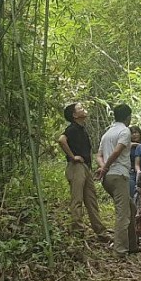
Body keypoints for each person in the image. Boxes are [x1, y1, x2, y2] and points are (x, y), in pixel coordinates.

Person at [57, 102, 109, 240]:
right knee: (77, 200)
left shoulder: (82, 129)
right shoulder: (72, 129)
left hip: (85, 167)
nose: (84, 109)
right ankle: (77, 231)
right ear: (74, 115)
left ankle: (100, 232)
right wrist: (72, 156)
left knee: (91, 200)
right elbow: (61, 140)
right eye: (80, 108)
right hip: (76, 168)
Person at [96, 103, 139, 257]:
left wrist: (102, 167)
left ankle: (132, 244)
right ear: (128, 117)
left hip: (108, 178)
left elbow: (99, 155)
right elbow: (117, 151)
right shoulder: (124, 131)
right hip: (119, 175)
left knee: (131, 208)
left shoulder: (107, 133)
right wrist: (106, 167)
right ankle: (120, 250)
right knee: (123, 213)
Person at [128, 125, 141, 198]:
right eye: (132, 133)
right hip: (130, 172)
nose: (134, 135)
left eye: (136, 132)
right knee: (132, 194)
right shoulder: (127, 146)